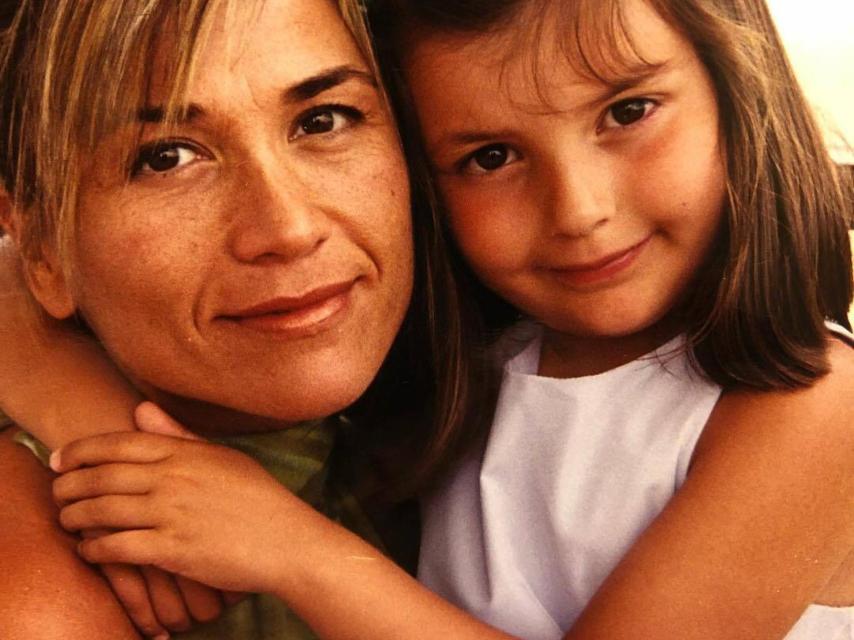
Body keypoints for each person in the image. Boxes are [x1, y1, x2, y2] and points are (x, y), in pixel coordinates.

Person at [3, 0, 853, 638]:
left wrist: (290, 548)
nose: (579, 212)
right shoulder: (484, 348)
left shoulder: (803, 403)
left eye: (324, 119)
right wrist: (90, 420)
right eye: (167, 158)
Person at [0, 0, 475, 637]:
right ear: (41, 252)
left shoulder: (508, 352)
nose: (289, 228)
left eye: (323, 119)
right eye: (166, 157)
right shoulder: (39, 599)